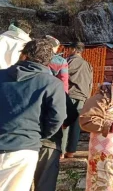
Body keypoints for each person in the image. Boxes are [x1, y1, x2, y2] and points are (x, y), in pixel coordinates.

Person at [0, 39, 66, 191]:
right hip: (24, 149)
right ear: (47, 62)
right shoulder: (52, 83)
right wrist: (39, 134)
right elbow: (57, 117)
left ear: (23, 55)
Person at [33, 94, 78, 191]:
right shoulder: (54, 85)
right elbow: (71, 114)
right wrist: (52, 130)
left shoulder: (9, 81)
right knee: (45, 184)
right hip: (49, 142)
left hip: (20, 142)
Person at [62, 42, 93, 158]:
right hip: (83, 97)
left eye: (69, 49)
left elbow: (62, 76)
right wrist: (87, 99)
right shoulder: (88, 65)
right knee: (76, 125)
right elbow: (90, 83)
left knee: (65, 122)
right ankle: (71, 152)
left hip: (69, 95)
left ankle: (61, 150)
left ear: (74, 49)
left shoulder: (68, 61)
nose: (68, 51)